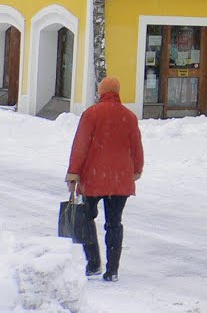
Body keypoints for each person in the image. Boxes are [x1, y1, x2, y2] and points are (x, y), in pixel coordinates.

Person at [66, 76, 144, 281]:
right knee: (114, 224)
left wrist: (73, 173)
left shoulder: (91, 114)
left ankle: (93, 263)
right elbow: (137, 148)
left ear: (101, 92)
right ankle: (112, 270)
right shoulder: (129, 116)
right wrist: (136, 170)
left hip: (93, 178)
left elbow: (80, 146)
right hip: (120, 180)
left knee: (86, 218)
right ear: (117, 92)